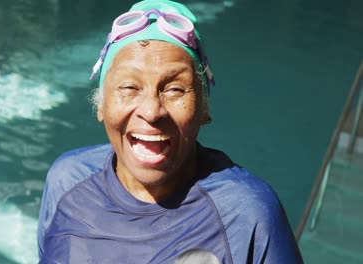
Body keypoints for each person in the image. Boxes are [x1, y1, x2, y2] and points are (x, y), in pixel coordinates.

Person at [37, 0, 303, 263]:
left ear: (204, 109)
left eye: (174, 89)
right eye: (129, 87)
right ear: (101, 106)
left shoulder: (245, 213)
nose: (152, 111)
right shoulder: (67, 181)